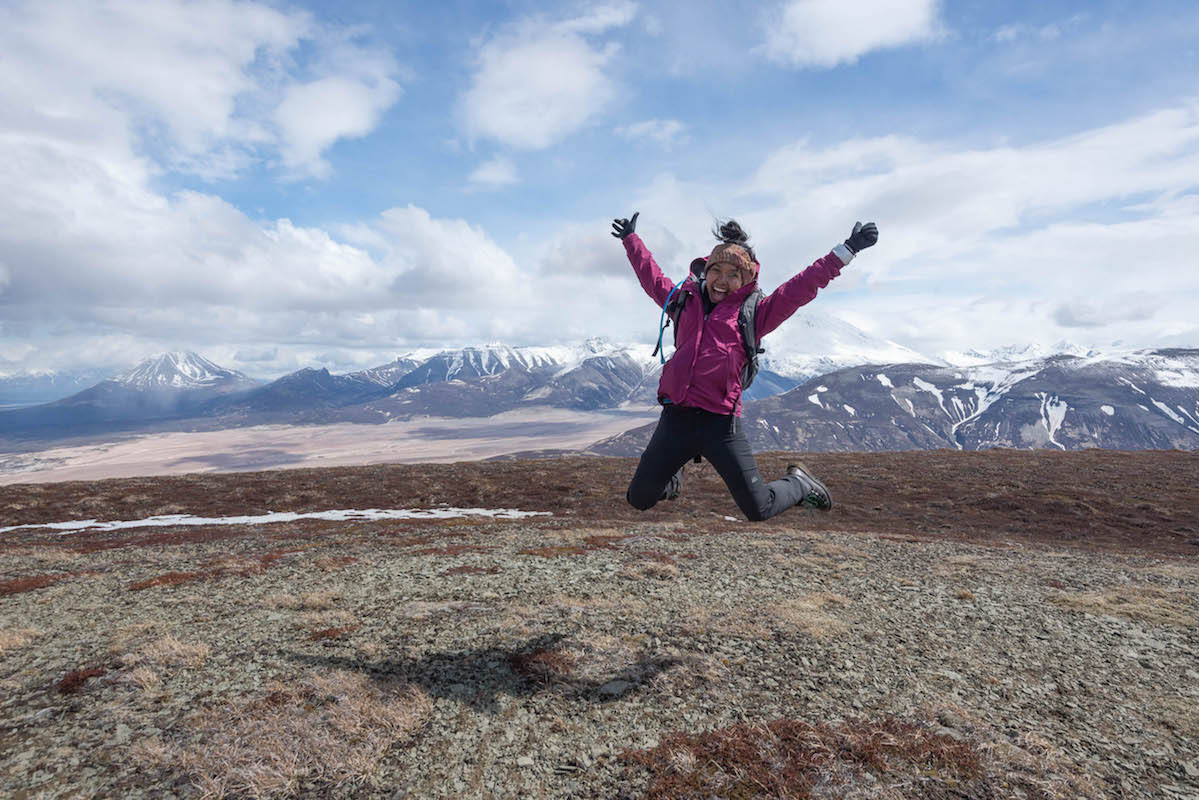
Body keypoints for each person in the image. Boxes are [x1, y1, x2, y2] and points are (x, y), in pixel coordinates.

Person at [612, 212, 878, 521]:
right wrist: (631, 240)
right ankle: (672, 476)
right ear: (705, 271)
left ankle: (799, 483)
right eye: (716, 271)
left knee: (758, 508)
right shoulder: (682, 301)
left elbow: (802, 286)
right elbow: (652, 277)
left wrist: (847, 250)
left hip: (721, 426)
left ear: (745, 280)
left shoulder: (755, 314)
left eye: (733, 275)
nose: (722, 281)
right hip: (677, 419)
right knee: (639, 498)